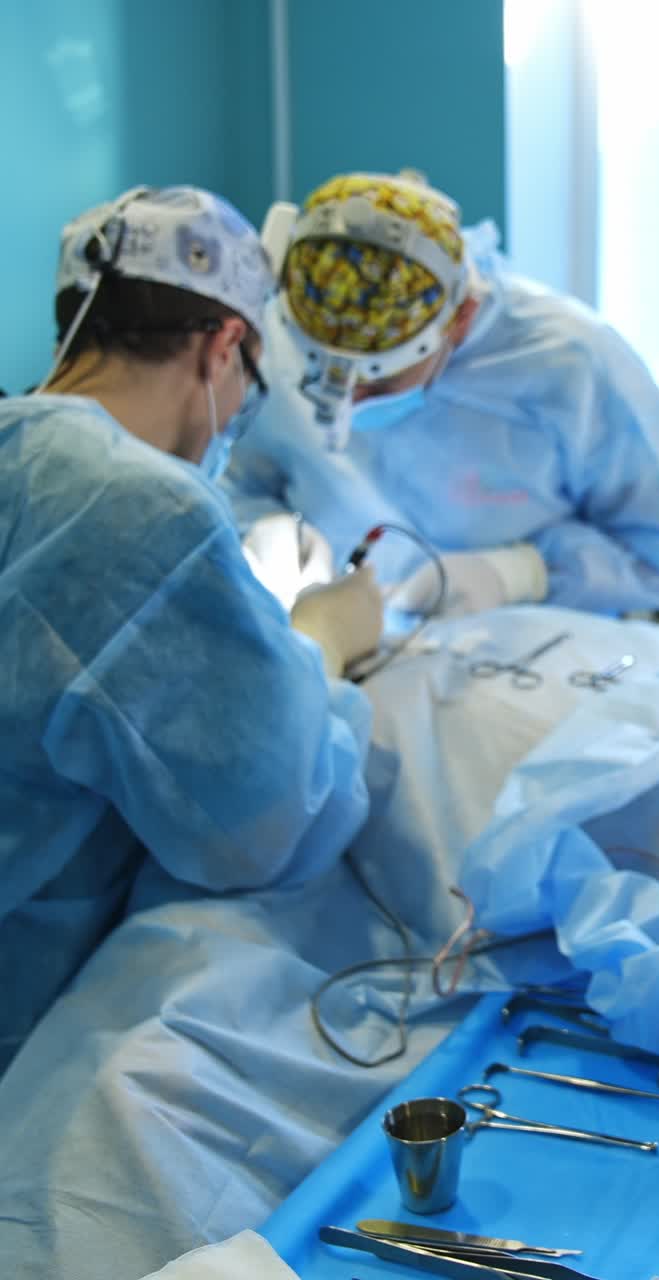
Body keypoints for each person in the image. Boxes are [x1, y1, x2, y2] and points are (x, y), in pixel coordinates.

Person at [0, 186, 384, 1074]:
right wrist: (323, 640)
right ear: (222, 345)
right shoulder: (138, 506)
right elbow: (263, 825)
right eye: (248, 382)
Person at [224, 170, 659, 617]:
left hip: (530, 656)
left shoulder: (572, 364)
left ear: (460, 318)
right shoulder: (279, 332)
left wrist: (524, 572)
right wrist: (265, 532)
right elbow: (240, 483)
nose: (345, 406)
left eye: (378, 383)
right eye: (319, 375)